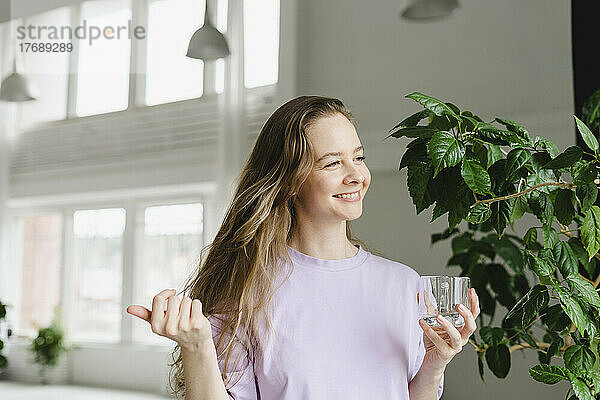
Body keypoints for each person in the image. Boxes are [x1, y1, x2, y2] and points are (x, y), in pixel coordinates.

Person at [127, 96, 480, 400]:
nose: (356, 175)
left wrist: (435, 363)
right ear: (289, 181)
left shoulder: (405, 286)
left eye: (358, 157)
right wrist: (196, 346)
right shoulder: (247, 289)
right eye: (332, 163)